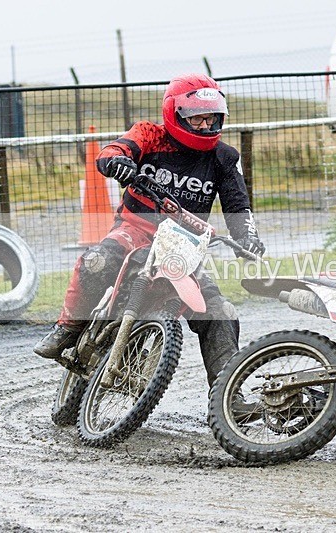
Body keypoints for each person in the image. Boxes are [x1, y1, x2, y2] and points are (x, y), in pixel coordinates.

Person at [34, 73, 265, 386]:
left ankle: (228, 396)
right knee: (96, 261)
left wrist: (247, 239)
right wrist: (117, 162)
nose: (205, 126)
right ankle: (68, 328)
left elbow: (238, 206)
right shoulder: (149, 134)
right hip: (135, 230)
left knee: (221, 311)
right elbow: (112, 151)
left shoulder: (224, 158)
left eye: (211, 119)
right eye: (197, 118)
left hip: (186, 246)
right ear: (175, 114)